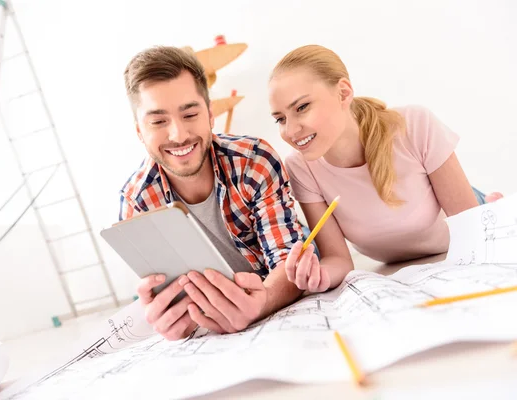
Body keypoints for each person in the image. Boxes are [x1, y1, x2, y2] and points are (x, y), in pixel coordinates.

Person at [268, 44, 503, 293]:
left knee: (492, 217)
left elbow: (471, 229)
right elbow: (337, 259)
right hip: (400, 263)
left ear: (343, 93)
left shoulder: (415, 124)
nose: (291, 131)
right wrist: (319, 277)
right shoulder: (299, 166)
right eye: (280, 119)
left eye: (302, 107)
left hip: (460, 224)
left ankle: (494, 205)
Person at [118, 46, 309, 340]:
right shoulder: (137, 201)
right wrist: (170, 318)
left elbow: (289, 262)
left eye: (190, 114)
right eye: (158, 121)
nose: (178, 135)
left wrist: (263, 302)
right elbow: (169, 295)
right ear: (139, 132)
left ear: (209, 115)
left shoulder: (254, 160)